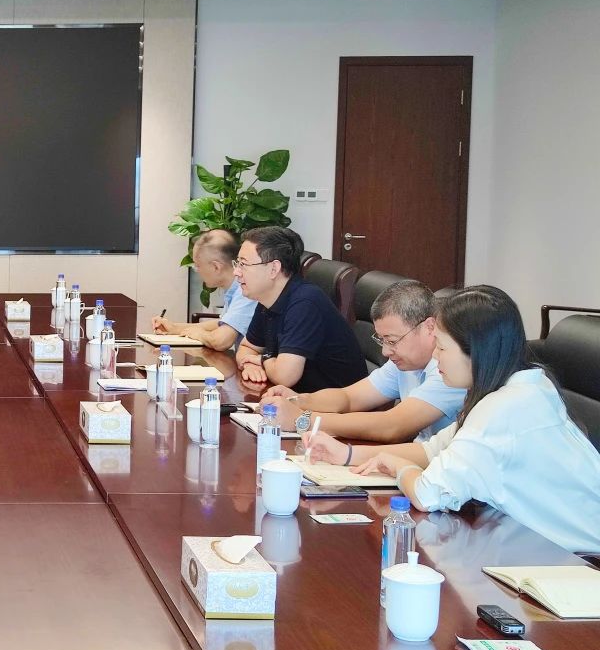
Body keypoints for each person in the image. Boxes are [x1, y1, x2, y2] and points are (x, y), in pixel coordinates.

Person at [305, 285, 600, 554]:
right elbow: (433, 450)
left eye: (442, 348)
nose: (435, 357)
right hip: (531, 544)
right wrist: (346, 455)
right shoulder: (518, 387)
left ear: (477, 351)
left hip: (576, 564)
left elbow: (427, 494)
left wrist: (400, 467)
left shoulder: (506, 406)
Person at [262, 280, 466, 442]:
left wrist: (301, 419)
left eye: (392, 341)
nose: (385, 351)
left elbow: (392, 426)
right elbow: (349, 397)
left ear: (429, 327)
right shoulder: (406, 363)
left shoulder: (450, 371)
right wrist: (298, 400)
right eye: (382, 340)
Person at [233, 226, 367, 392]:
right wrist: (251, 366)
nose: (236, 272)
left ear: (274, 269)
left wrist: (262, 360)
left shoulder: (305, 303)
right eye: (237, 263)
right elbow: (247, 348)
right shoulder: (267, 298)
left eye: (243, 264)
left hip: (335, 403)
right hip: (297, 397)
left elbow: (285, 376)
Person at [151, 229, 256, 351]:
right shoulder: (234, 288)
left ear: (216, 267)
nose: (197, 271)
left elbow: (221, 341)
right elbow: (223, 323)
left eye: (198, 265)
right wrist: (174, 328)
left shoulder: (246, 290)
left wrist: (200, 334)